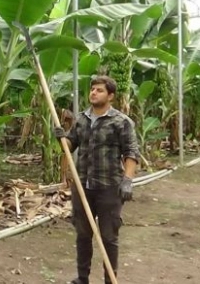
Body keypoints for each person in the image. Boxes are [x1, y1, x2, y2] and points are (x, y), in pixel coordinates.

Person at [54, 75, 140, 284]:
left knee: (109, 237)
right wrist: (61, 137)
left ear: (110, 96)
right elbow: (70, 145)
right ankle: (82, 278)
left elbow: (131, 153)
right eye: (92, 89)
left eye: (99, 90)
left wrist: (127, 180)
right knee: (83, 235)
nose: (94, 92)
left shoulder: (121, 122)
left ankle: (110, 280)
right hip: (83, 186)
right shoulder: (82, 119)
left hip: (109, 187)